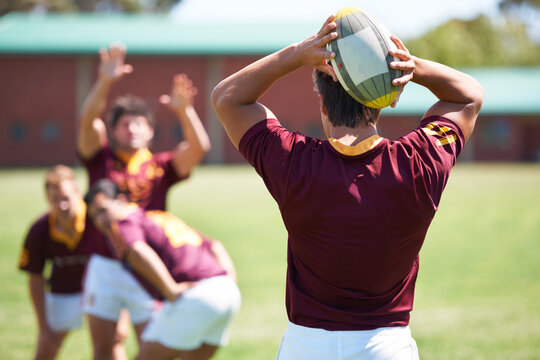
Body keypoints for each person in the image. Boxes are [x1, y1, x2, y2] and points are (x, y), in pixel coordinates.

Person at [212, 15, 483, 360]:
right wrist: (410, 66)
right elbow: (469, 97)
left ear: (322, 105)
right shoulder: (419, 160)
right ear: (387, 100)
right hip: (387, 347)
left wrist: (297, 54)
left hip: (306, 346)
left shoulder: (293, 160)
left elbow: (227, 98)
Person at [77, 43, 211, 359]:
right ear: (112, 131)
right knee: (103, 346)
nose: (133, 128)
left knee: (151, 345)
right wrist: (105, 82)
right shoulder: (101, 158)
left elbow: (198, 148)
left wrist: (185, 110)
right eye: (125, 124)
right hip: (104, 262)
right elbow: (87, 123)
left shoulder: (160, 165)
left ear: (150, 131)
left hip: (147, 264)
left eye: (139, 123)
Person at [84, 179, 241, 360]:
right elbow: (215, 245)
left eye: (103, 211)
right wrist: (229, 281)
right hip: (227, 293)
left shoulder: (123, 221)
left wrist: (170, 289)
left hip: (196, 296)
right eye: (95, 216)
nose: (101, 220)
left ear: (121, 200)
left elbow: (137, 249)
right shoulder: (157, 216)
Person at [18, 165, 92, 360]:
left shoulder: (96, 221)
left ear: (78, 194)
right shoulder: (40, 230)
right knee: (47, 346)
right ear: (47, 200)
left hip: (97, 291)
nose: (62, 205)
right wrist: (44, 325)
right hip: (63, 292)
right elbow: (35, 277)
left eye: (66, 198)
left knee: (112, 343)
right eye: (55, 200)